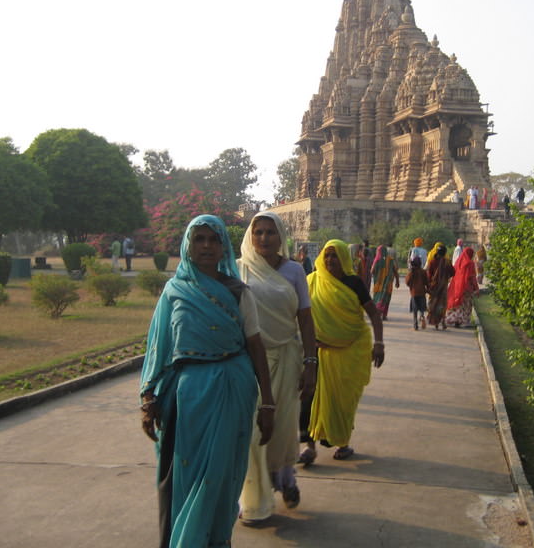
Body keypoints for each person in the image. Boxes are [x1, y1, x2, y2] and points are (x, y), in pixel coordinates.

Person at [138, 214, 275, 548]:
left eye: (213, 240)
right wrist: (148, 399)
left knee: (220, 476)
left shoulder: (238, 292)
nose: (206, 246)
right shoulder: (175, 291)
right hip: (188, 396)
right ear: (188, 245)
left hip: (233, 387)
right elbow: (158, 345)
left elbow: (255, 344)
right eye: (199, 239)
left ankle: (215, 539)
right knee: (188, 473)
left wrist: (268, 402)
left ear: (223, 246)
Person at [237, 212, 317, 523]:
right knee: (254, 432)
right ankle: (256, 498)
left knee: (282, 429)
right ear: (250, 235)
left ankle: (286, 481)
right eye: (258, 232)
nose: (264, 238)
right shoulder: (238, 269)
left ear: (281, 236)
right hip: (250, 363)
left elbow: (305, 320)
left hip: (286, 357)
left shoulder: (295, 271)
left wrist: (310, 364)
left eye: (271, 232)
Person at [302, 239, 384, 462]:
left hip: (350, 352)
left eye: (335, 255)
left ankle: (343, 442)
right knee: (310, 399)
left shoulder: (354, 283)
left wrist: (379, 344)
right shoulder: (311, 281)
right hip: (317, 352)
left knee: (344, 402)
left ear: (344, 258)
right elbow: (301, 316)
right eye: (327, 255)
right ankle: (310, 446)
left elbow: (374, 315)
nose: (330, 260)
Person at [446, 246, 479, 328]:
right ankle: (463, 321)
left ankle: (454, 319)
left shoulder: (459, 261)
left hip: (457, 286)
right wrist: (476, 288)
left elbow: (453, 273)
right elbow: (472, 277)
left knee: (457, 303)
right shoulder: (470, 263)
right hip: (467, 288)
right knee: (466, 305)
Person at [426, 242, 454, 330]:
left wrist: (429, 284)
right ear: (445, 253)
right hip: (443, 287)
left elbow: (429, 275)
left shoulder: (432, 261)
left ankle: (434, 321)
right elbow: (453, 272)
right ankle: (442, 321)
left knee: (433, 303)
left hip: (434, 287)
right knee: (442, 305)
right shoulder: (447, 262)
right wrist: (446, 277)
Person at [370, 244, 399, 320]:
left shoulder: (377, 260)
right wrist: (397, 281)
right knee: (386, 298)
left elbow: (372, 271)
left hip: (378, 285)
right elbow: (395, 271)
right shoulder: (391, 260)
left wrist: (377, 274)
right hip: (388, 284)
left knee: (377, 298)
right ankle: (384, 315)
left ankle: (378, 312)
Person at [405, 256, 429, 330]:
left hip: (414, 293)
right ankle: (422, 316)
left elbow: (407, 282)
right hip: (422, 292)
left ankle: (415, 324)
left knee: (415, 309)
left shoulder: (411, 272)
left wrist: (411, 286)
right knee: (422, 308)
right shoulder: (423, 271)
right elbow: (426, 282)